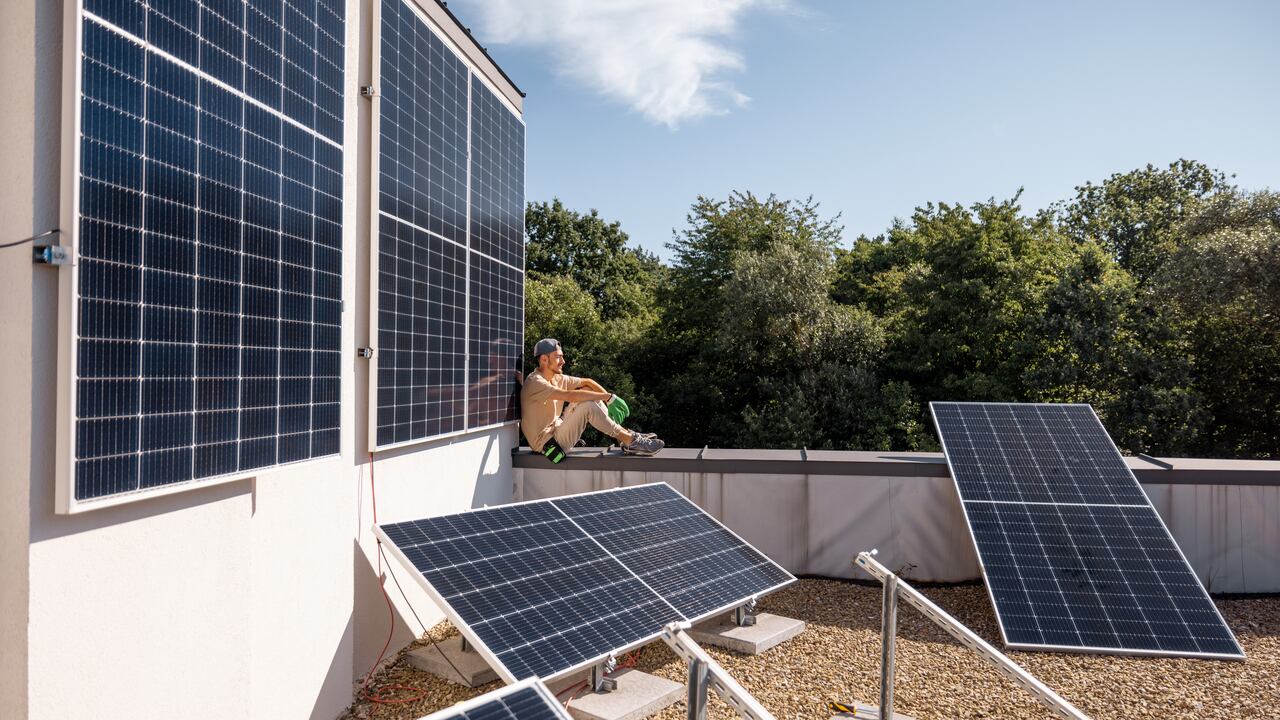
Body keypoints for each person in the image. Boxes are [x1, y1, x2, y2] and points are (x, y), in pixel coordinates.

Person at [520, 338, 664, 457]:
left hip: (557, 428)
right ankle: (630, 441)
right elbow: (570, 395)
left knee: (588, 390)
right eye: (558, 357)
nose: (563, 361)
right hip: (548, 445)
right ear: (544, 359)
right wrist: (607, 396)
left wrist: (610, 401)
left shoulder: (557, 378)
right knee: (587, 406)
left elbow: (587, 381)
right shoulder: (535, 382)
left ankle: (625, 436)